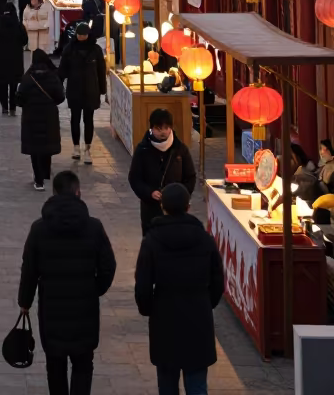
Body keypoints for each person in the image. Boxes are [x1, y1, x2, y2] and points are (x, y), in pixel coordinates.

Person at [18, 170, 116, 395]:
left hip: (52, 308)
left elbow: (29, 269)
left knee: (55, 365)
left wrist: (25, 301)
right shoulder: (94, 227)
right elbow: (108, 266)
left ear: (54, 193)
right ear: (78, 192)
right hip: (85, 309)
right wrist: (95, 289)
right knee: (83, 364)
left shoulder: (39, 229)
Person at [135, 183, 224, 395]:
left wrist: (149, 309)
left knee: (167, 384)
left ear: (163, 207)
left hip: (165, 317)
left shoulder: (151, 241)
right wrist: (205, 302)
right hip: (198, 316)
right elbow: (218, 282)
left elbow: (143, 286)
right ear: (188, 207)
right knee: (197, 385)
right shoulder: (205, 240)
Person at [129, 108, 197, 234]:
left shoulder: (180, 149)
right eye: (159, 128)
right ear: (152, 128)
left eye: (166, 128)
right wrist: (149, 193)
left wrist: (181, 195)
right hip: (151, 208)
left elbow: (190, 176)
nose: (163, 132)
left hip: (175, 209)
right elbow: (135, 178)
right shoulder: (142, 149)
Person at [58, 21, 107, 164]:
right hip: (74, 89)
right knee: (74, 118)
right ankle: (75, 147)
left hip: (91, 89)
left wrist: (103, 90)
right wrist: (58, 85)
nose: (81, 37)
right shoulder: (69, 49)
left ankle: (87, 148)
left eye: (84, 35)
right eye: (79, 35)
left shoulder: (96, 50)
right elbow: (63, 69)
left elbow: (101, 71)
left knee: (88, 120)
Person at [17, 48, 65, 190]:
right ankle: (45, 173)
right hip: (49, 117)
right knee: (47, 146)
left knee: (34, 149)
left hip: (31, 117)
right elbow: (61, 97)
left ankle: (38, 180)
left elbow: (19, 100)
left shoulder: (27, 78)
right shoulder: (52, 76)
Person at [0, 3, 28, 115]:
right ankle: (13, 108)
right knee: (14, 85)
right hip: (16, 60)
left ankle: (4, 106)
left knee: (3, 85)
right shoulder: (19, 26)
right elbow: (25, 40)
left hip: (2, 61)